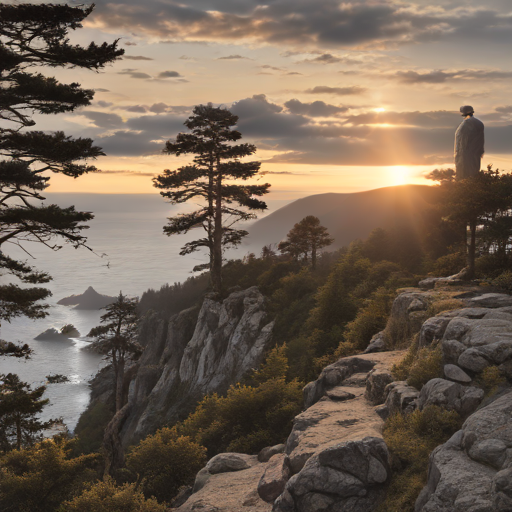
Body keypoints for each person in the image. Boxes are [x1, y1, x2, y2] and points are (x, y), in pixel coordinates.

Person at [454, 105, 484, 180]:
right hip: (474, 152)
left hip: (466, 153)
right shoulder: (477, 122)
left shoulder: (467, 123)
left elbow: (462, 140)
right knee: (472, 171)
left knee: (465, 174)